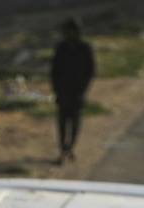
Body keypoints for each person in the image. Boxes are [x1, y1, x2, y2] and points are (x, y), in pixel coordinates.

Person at [50, 18, 96, 165]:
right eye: (67, 31)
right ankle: (63, 150)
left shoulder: (85, 48)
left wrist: (83, 88)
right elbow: (54, 71)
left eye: (71, 31)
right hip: (63, 91)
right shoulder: (61, 48)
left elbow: (90, 71)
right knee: (62, 123)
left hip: (77, 91)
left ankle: (70, 147)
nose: (69, 34)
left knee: (75, 122)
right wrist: (56, 89)